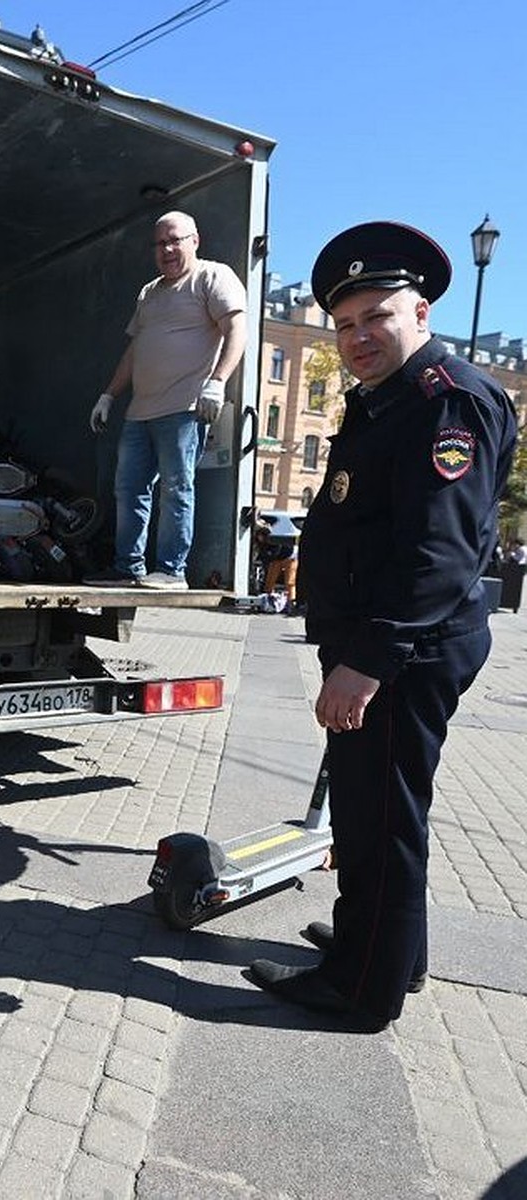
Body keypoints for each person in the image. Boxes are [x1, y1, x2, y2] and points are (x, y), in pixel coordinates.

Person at [247, 222, 518, 1030]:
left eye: (378, 316)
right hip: (391, 642)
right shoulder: (395, 400)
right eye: (344, 323)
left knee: (376, 819)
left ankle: (360, 988)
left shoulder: (446, 403)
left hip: (401, 651)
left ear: (422, 313)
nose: (359, 336)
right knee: (388, 810)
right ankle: (394, 951)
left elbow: (437, 552)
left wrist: (365, 662)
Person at [86, 211, 247, 590]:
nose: (167, 249)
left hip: (185, 409)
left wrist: (217, 382)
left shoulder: (213, 276)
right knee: (128, 490)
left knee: (176, 487)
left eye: (175, 240)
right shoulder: (149, 292)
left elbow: (236, 329)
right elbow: (135, 350)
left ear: (195, 240)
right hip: (140, 411)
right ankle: (128, 568)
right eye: (160, 243)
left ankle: (172, 571)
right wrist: (109, 394)